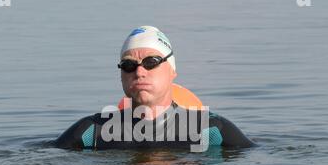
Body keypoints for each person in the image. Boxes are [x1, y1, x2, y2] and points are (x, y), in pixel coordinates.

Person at [55, 26, 254, 151]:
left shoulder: (211, 129)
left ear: (172, 71)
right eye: (128, 65)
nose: (139, 72)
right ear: (121, 74)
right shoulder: (93, 130)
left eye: (151, 62)